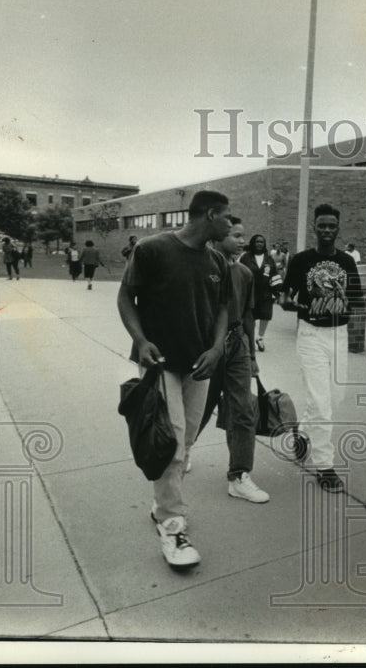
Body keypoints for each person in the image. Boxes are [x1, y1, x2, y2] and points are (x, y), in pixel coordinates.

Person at [117, 189, 232, 570]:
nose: (231, 224)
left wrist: (216, 349)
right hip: (160, 362)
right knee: (172, 445)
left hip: (199, 365)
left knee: (186, 439)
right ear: (211, 214)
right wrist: (141, 340)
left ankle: (162, 504)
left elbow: (222, 309)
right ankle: (172, 526)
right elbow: (125, 297)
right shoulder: (152, 249)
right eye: (227, 218)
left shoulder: (217, 260)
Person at [280, 203, 361, 493]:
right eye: (322, 225)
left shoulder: (348, 262)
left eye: (332, 226)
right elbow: (285, 297)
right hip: (311, 336)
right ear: (314, 227)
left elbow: (355, 299)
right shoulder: (301, 260)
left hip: (338, 335)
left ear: (338, 229)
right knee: (322, 403)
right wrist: (294, 303)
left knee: (334, 398)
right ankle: (325, 467)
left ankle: (301, 432)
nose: (327, 230)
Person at [199, 218, 269, 503]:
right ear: (218, 236)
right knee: (199, 408)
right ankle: (182, 452)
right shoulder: (202, 269)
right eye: (236, 236)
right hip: (206, 346)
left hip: (237, 343)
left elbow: (249, 316)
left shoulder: (244, 273)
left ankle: (239, 475)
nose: (243, 241)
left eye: (245, 236)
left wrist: (251, 355)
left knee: (242, 409)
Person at [240, 234, 279, 354]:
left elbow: (274, 275)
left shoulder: (269, 259)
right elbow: (240, 274)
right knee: (250, 316)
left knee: (265, 315)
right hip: (250, 293)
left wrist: (276, 291)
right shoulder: (245, 258)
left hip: (266, 293)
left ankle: (260, 338)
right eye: (257, 242)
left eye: (262, 242)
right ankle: (250, 339)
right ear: (253, 243)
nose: (259, 244)